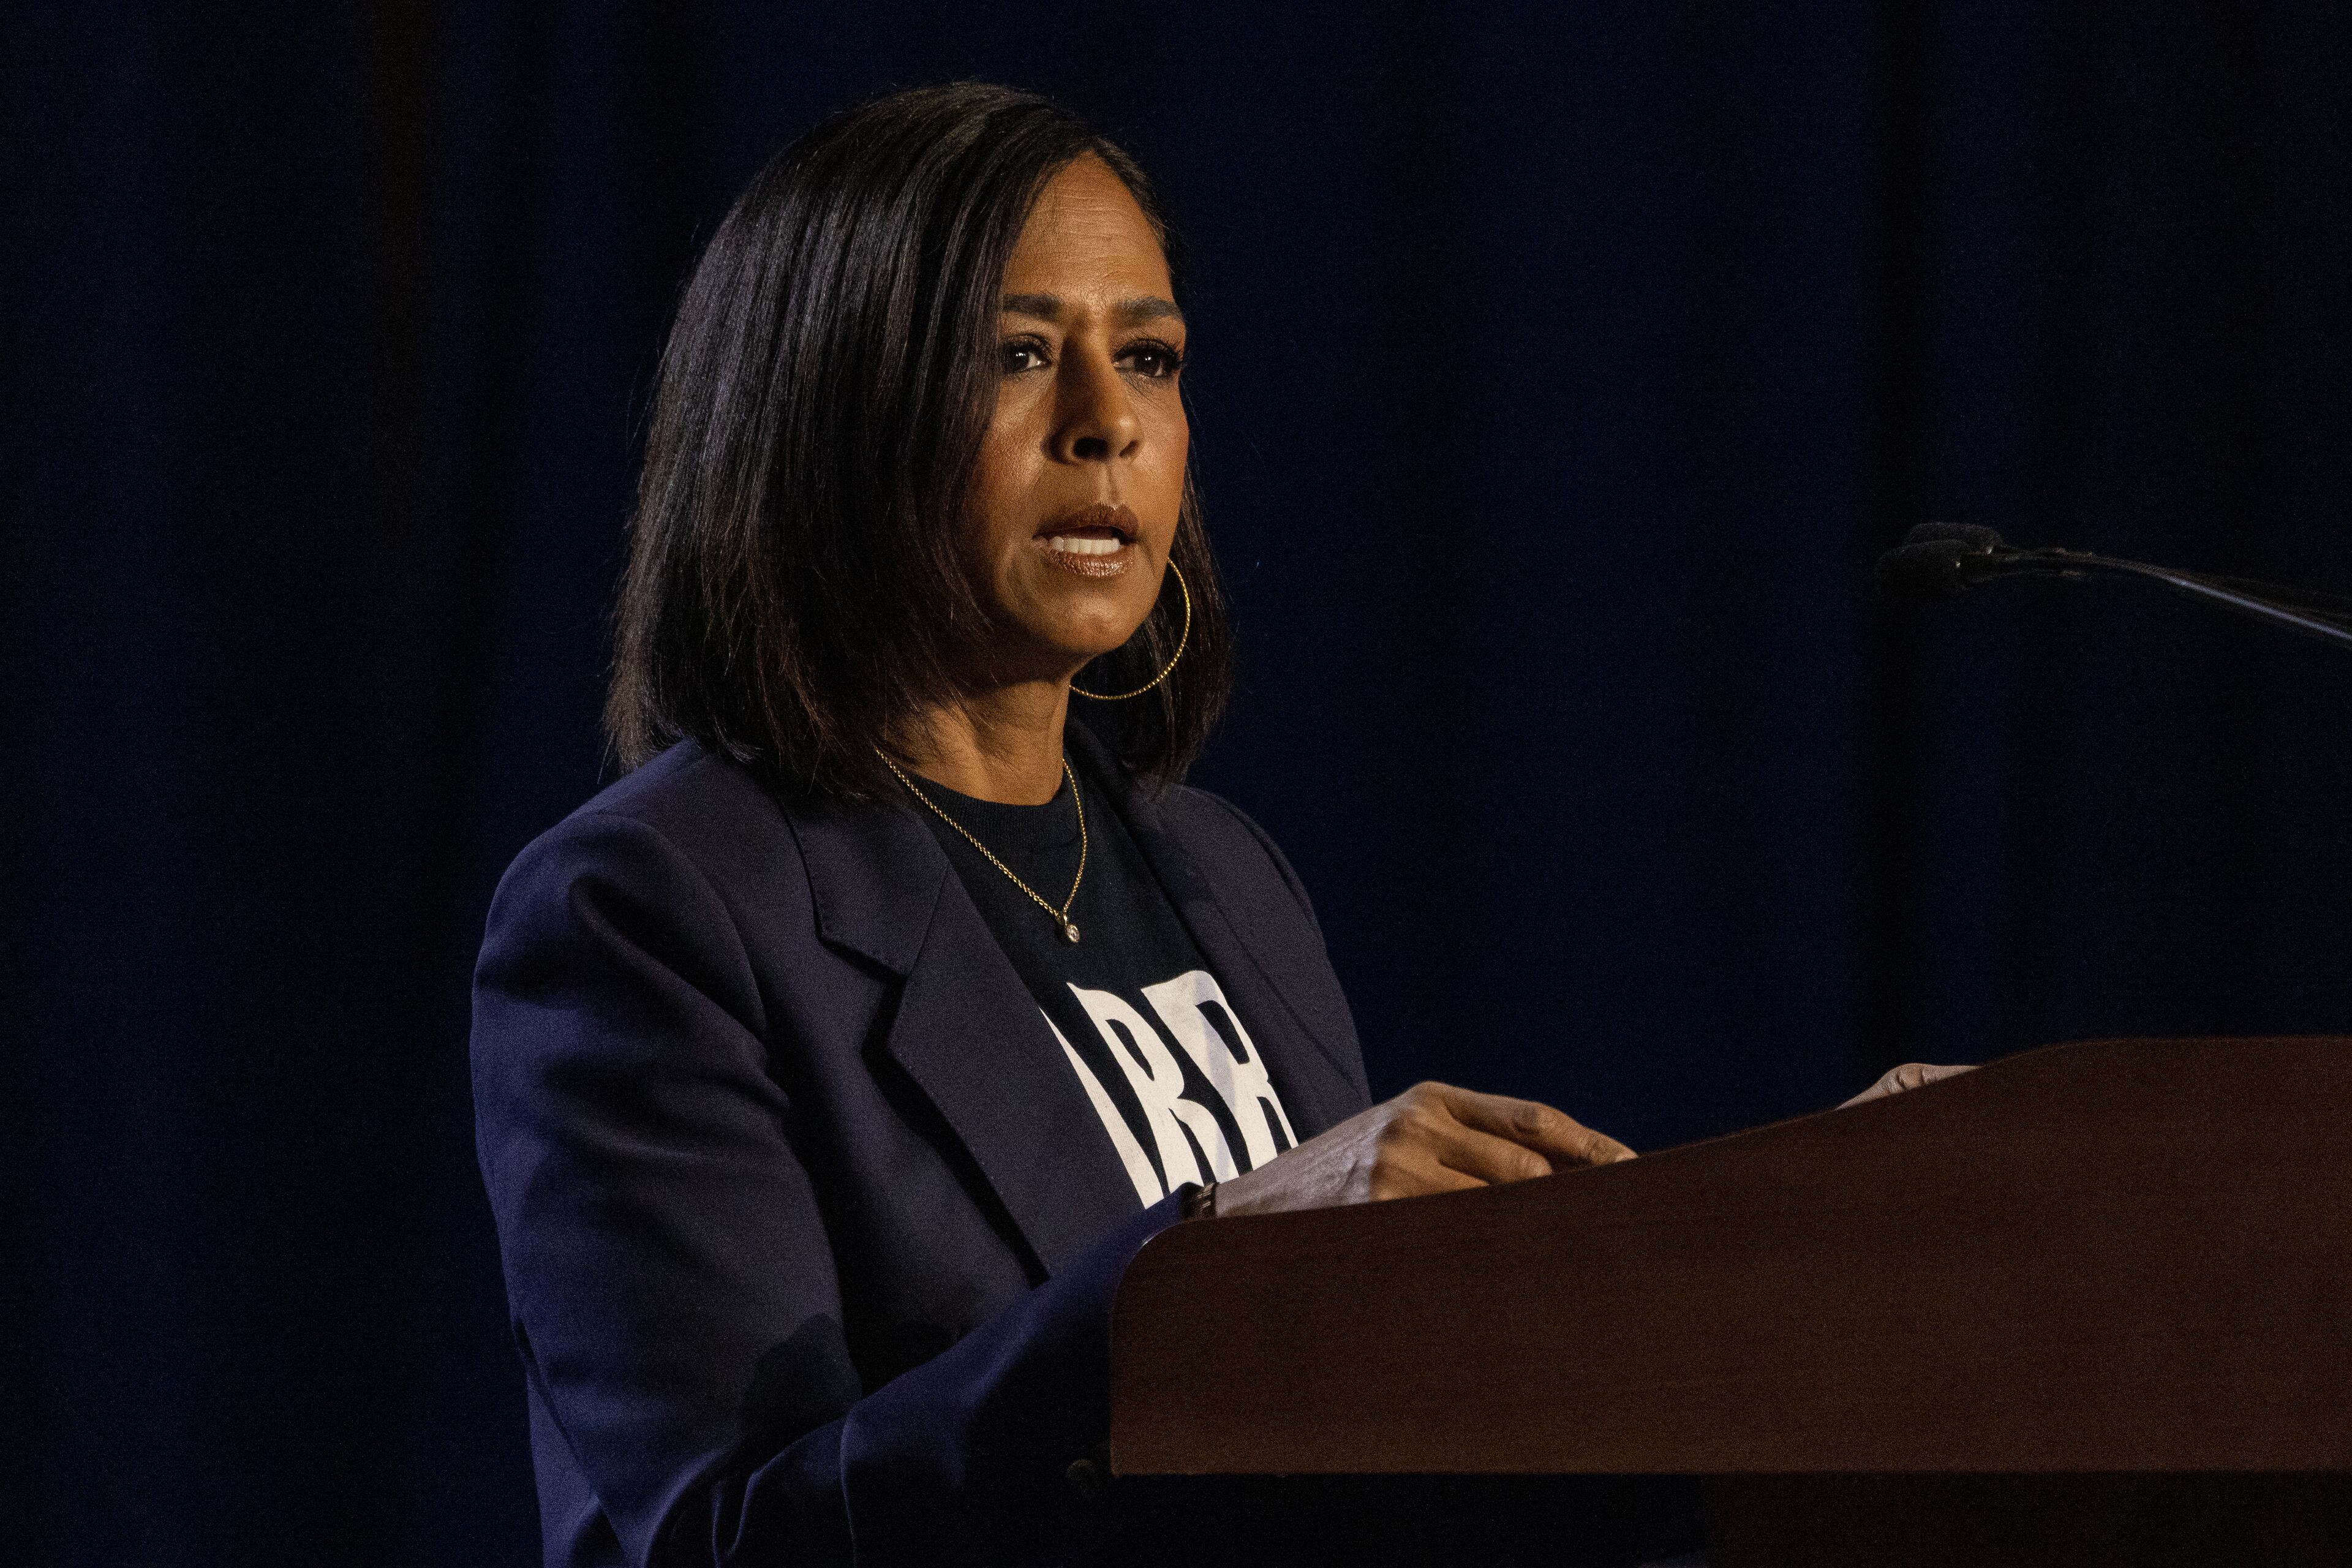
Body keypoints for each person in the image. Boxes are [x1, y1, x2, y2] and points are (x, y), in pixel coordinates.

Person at [471, 82, 1953, 1568]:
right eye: (1019, 353)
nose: (1107, 421)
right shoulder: (651, 911)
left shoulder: (1223, 875)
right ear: (830, 403)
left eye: (1153, 357)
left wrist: (1781, 1250)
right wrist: (1209, 1268)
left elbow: (1386, 1473)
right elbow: (731, 1541)